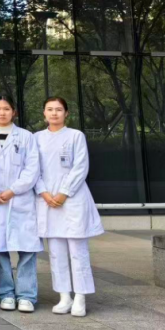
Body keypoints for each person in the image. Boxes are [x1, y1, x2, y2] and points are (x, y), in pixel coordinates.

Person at [35, 97, 103, 317]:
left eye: (59, 109)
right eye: (50, 109)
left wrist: (64, 193)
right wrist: (44, 193)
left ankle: (80, 296)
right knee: (56, 252)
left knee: (78, 251)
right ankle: (64, 296)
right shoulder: (36, 138)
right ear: (44, 113)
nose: (54, 113)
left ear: (66, 113)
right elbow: (32, 169)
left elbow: (80, 167)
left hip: (73, 199)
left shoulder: (76, 136)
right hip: (47, 200)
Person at [0, 95, 42, 314]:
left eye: (6, 109)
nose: (2, 112)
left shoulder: (26, 136)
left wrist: (12, 190)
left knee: (27, 250)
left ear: (14, 112)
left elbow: (32, 169)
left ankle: (26, 295)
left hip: (20, 199)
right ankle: (5, 293)